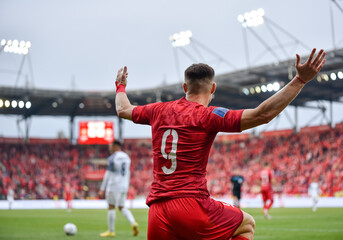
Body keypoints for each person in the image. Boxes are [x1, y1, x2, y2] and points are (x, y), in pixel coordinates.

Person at [115, 48, 326, 240]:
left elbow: (123, 109)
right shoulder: (208, 115)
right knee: (246, 225)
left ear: (184, 87)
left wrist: (120, 85)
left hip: (157, 210)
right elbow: (263, 114)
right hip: (191, 204)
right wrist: (300, 80)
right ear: (213, 87)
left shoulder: (157, 109)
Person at [98, 140, 139, 237]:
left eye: (111, 146)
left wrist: (102, 188)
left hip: (114, 185)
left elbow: (108, 173)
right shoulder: (126, 157)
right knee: (122, 207)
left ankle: (111, 231)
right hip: (124, 185)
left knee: (111, 207)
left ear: (116, 146)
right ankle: (133, 223)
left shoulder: (113, 158)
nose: (109, 148)